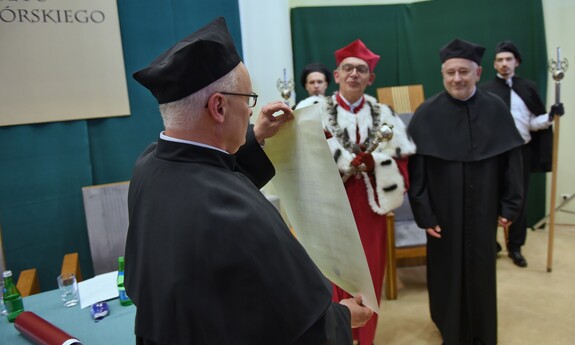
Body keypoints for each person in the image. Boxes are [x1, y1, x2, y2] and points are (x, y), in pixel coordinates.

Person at [124, 17, 372, 345]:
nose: (251, 111)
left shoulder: (149, 164)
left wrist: (255, 136)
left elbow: (211, 172)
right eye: (248, 99)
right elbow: (297, 327)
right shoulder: (236, 212)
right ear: (219, 107)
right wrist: (342, 317)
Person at [297, 39, 416, 345]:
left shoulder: (384, 115)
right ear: (336, 75)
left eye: (361, 70)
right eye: (347, 68)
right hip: (328, 205)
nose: (354, 74)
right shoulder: (314, 112)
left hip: (368, 205)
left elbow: (402, 164)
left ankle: (365, 339)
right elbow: (301, 159)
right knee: (329, 274)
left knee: (368, 275)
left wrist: (375, 162)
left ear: (370, 78)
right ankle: (332, 337)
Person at [407, 38, 525, 345]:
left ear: (477, 72)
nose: (457, 78)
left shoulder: (495, 108)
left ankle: (482, 333)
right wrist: (424, 212)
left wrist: (510, 206)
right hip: (442, 212)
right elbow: (416, 172)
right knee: (446, 270)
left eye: (464, 72)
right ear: (443, 74)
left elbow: (512, 161)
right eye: (450, 73)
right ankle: (450, 328)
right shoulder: (426, 113)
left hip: (484, 206)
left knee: (482, 269)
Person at [480, 40, 565, 267]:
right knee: (489, 198)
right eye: (499, 60)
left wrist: (550, 116)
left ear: (516, 62)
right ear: (494, 64)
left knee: (518, 200)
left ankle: (515, 247)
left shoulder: (528, 88)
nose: (504, 63)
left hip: (520, 151)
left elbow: (532, 123)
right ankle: (491, 244)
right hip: (493, 154)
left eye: (508, 59)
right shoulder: (485, 91)